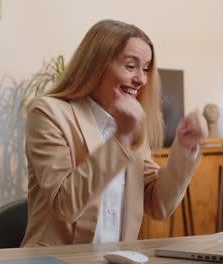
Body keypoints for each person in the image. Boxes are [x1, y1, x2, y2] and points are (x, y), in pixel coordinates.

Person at [21, 19, 208, 247]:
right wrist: (122, 139)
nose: (141, 79)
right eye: (131, 66)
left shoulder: (133, 123)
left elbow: (158, 205)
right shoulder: (49, 113)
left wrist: (185, 148)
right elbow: (65, 205)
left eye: (146, 69)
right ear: (95, 64)